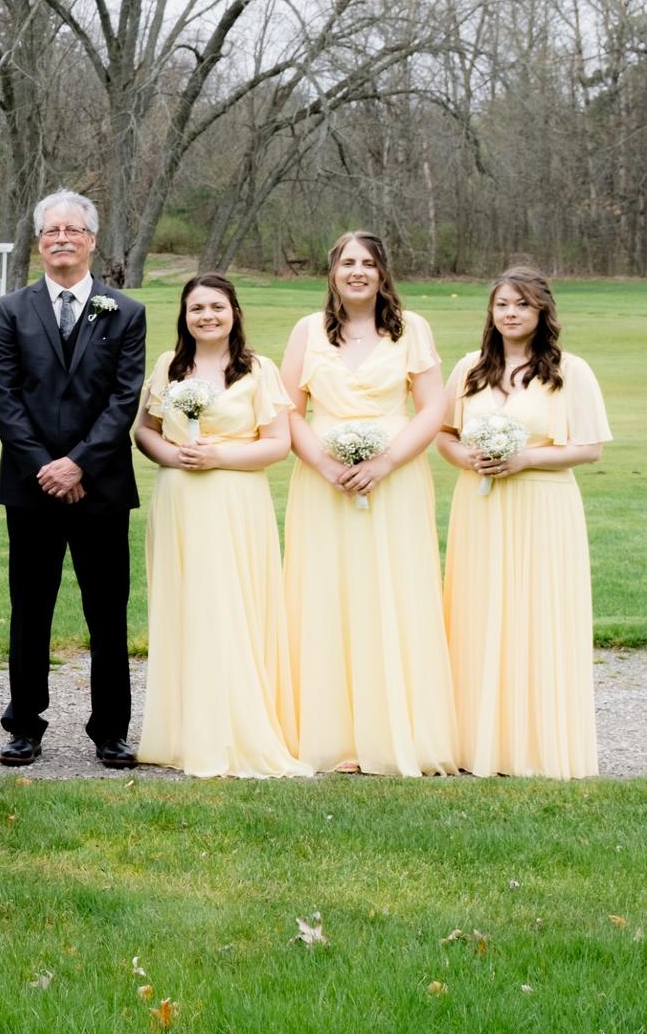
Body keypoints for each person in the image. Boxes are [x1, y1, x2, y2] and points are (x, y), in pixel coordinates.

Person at [280, 231, 454, 776]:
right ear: (332, 272)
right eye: (348, 263)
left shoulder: (412, 329)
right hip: (321, 483)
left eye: (369, 263)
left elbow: (432, 408)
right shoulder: (308, 332)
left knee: (395, 590)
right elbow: (287, 412)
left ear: (383, 273)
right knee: (326, 593)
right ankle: (328, 735)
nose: (358, 272)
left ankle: (397, 729)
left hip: (396, 480)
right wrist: (328, 467)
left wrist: (385, 462)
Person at [0, 190, 147, 769]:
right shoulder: (11, 310)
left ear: (91, 240)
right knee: (30, 608)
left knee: (107, 611)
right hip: (31, 489)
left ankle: (111, 729)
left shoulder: (125, 312)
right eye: (51, 230)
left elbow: (124, 398)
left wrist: (80, 462)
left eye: (72, 230)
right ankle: (24, 726)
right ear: (39, 242)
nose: (61, 238)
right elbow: (4, 397)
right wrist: (45, 467)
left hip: (101, 487)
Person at [131, 275, 309, 778]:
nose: (206, 316)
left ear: (234, 311)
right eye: (196, 308)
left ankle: (238, 727)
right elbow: (144, 430)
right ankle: (183, 731)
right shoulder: (170, 366)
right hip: (180, 500)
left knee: (232, 606)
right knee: (187, 607)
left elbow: (277, 443)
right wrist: (174, 454)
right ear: (184, 316)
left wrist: (220, 457)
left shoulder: (258, 369)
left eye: (216, 306)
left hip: (235, 500)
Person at [438, 269, 611, 778]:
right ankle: (477, 743)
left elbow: (590, 448)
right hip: (481, 506)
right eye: (502, 305)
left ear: (541, 313)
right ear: (491, 313)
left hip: (543, 505)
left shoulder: (570, 371)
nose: (510, 313)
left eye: (522, 305)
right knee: (480, 610)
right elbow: (445, 436)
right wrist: (467, 459)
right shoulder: (470, 369)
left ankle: (539, 745)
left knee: (538, 612)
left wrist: (524, 461)